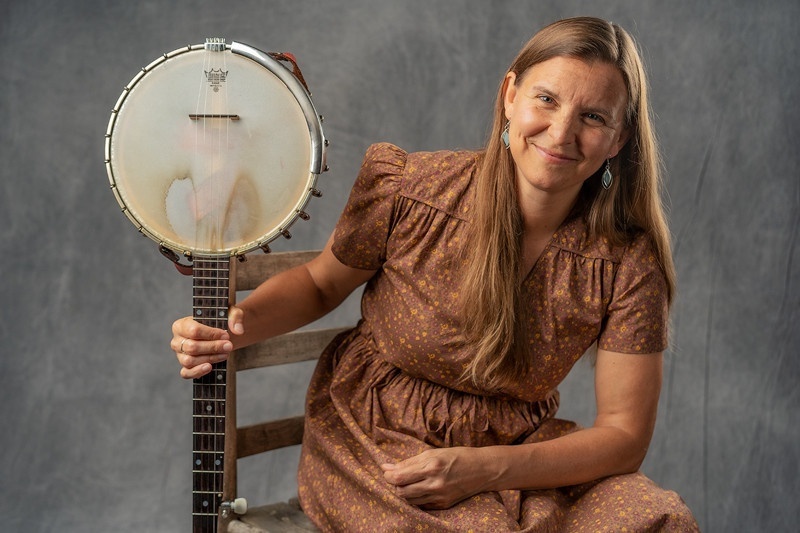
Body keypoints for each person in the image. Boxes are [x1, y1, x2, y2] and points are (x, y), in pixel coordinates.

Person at [172, 16, 699, 532]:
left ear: (618, 138)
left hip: (519, 455)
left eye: (594, 117)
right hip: (379, 443)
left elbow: (624, 435)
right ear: (510, 95)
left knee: (661, 521)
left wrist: (485, 468)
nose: (561, 133)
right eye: (546, 99)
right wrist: (230, 329)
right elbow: (319, 284)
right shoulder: (412, 190)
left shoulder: (627, 261)